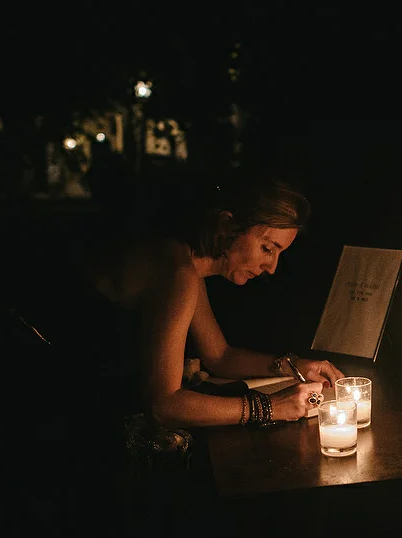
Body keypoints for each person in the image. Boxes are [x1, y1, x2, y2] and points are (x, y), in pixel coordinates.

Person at [32, 168, 346, 433]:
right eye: (267, 248)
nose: (272, 267)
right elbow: (164, 406)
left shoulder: (187, 264)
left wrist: (295, 366)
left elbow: (219, 356)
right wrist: (271, 407)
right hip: (49, 405)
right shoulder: (177, 273)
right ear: (228, 226)